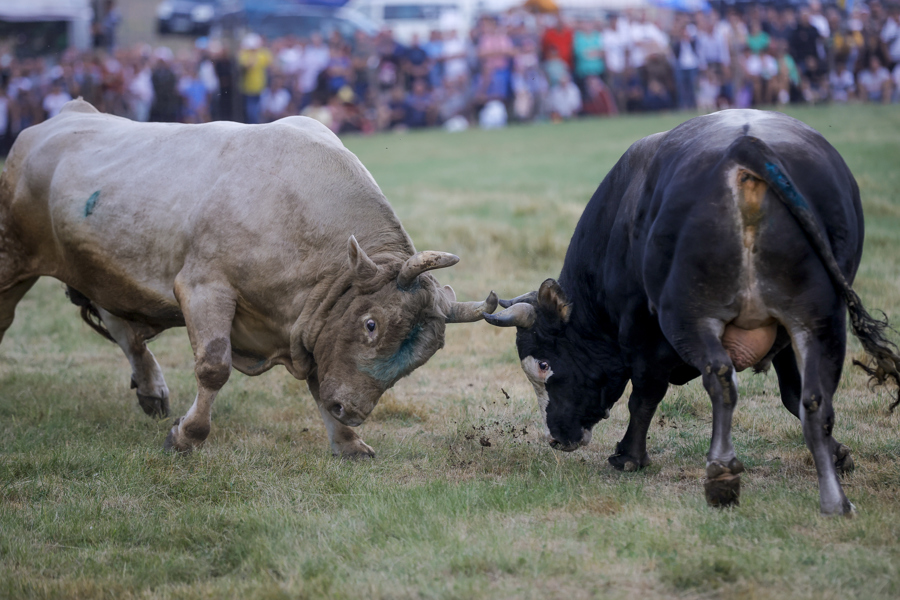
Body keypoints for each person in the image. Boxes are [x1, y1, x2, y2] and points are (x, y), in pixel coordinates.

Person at [238, 33, 273, 124]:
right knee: (251, 112)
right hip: (248, 88)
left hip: (261, 87)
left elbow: (270, 63)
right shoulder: (245, 54)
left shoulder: (262, 53)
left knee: (259, 111)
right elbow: (247, 65)